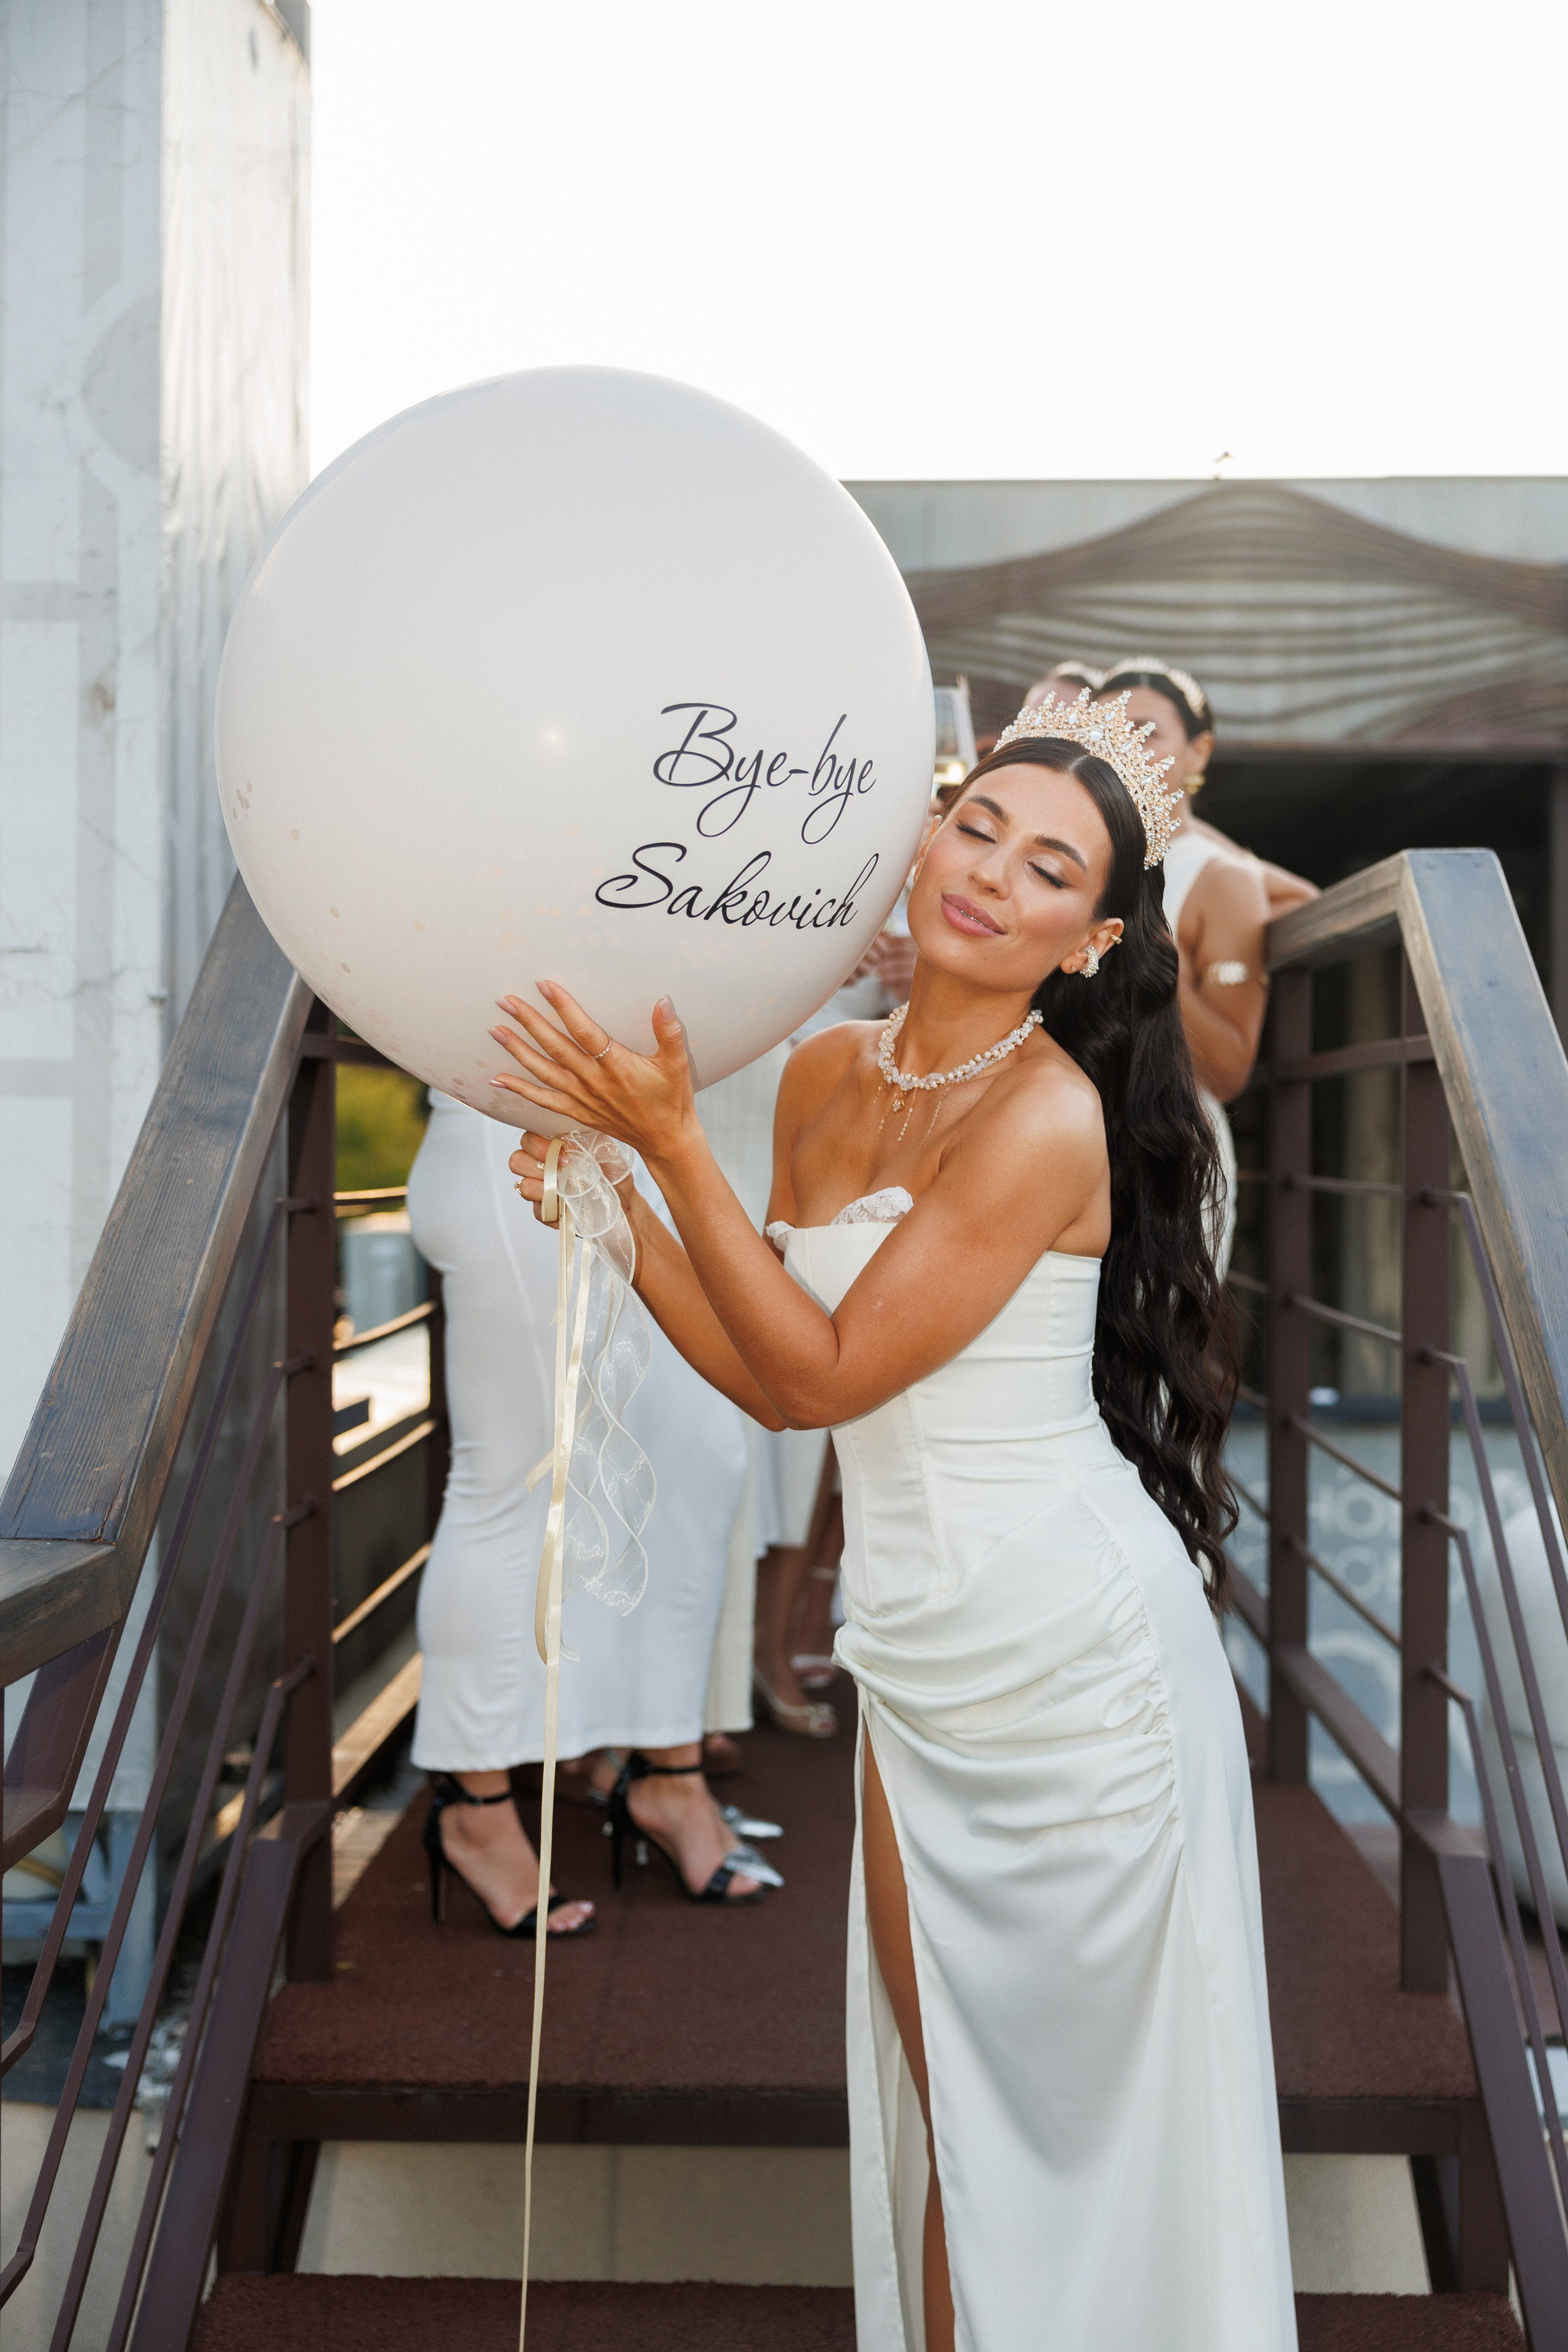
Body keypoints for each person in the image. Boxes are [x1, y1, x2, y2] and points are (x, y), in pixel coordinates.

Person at [492, 689, 1295, 2350]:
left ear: (1093, 938)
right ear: (927, 835)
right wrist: (620, 1206)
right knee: (952, 2125)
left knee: (1072, 2144)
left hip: (1075, 1666)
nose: (993, 874)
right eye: (979, 825)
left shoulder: (1048, 1116)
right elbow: (760, 1352)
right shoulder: (821, 1075)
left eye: (1051, 866)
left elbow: (821, 1382)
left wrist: (661, 1145)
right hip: (915, 1660)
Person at [405, 1093, 765, 1920]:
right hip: (514, 1129)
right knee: (515, 1473)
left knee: (702, 1450)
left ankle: (668, 1774)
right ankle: (475, 1804)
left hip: (643, 1132)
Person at [1094, 656, 1316, 1272]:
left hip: (1160, 1153)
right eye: (1103, 731)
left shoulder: (1218, 878)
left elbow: (1227, 1069)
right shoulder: (1063, 862)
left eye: (1145, 730)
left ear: (1199, 750)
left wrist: (1144, 950)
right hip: (1047, 1142)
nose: (1122, 747)